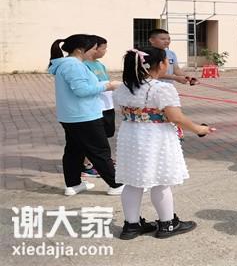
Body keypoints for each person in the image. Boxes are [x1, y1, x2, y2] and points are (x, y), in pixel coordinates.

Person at [113, 47, 215, 239]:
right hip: (156, 137)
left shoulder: (124, 88)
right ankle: (167, 224)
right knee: (161, 181)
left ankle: (131, 226)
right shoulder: (162, 88)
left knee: (132, 182)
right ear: (160, 64)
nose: (168, 64)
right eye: (167, 60)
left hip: (130, 136)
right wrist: (199, 129)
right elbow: (176, 117)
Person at [48, 34, 124, 196]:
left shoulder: (69, 64)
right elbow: (81, 91)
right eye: (93, 48)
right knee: (100, 151)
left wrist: (104, 84)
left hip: (72, 116)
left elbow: (85, 85)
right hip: (84, 116)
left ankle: (73, 184)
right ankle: (116, 185)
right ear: (80, 50)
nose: (95, 52)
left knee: (75, 151)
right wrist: (108, 86)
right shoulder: (73, 65)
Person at [82, 35, 115, 179]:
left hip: (107, 105)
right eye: (103, 48)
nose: (105, 51)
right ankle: (87, 164)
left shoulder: (99, 65)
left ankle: (102, 161)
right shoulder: (83, 65)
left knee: (105, 135)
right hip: (95, 107)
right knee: (94, 138)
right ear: (93, 48)